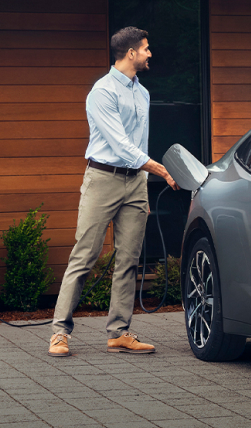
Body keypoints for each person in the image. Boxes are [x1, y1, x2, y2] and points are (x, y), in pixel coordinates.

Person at [47, 27, 178, 357]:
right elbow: (119, 144)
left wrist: (143, 185)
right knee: (84, 256)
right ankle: (59, 332)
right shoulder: (101, 92)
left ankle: (118, 332)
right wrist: (158, 169)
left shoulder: (142, 93)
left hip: (135, 183)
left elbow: (139, 143)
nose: (150, 54)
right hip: (102, 179)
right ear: (131, 53)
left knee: (129, 260)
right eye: (146, 49)